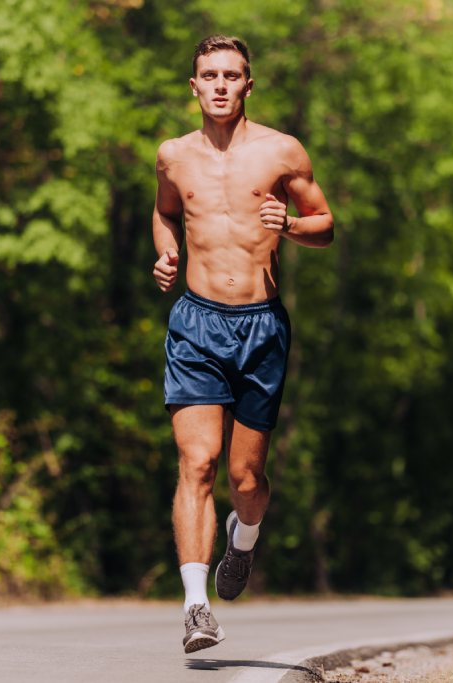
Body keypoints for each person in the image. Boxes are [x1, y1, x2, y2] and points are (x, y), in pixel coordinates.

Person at [152, 34, 334, 654]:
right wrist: (165, 253)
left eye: (232, 75)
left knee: (245, 476)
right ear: (194, 85)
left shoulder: (283, 151)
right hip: (196, 324)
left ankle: (245, 539)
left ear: (249, 84)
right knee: (197, 463)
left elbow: (325, 224)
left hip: (260, 327)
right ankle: (196, 607)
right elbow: (165, 211)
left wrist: (294, 226)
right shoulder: (173, 156)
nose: (221, 85)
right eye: (210, 75)